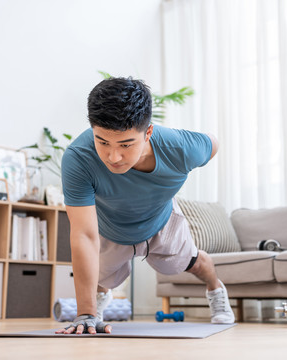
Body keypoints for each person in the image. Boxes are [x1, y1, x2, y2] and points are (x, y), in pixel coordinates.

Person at [56, 77, 234, 335]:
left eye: (126, 145)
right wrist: (85, 313)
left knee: (192, 263)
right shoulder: (78, 158)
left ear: (148, 132)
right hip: (112, 228)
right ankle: (96, 308)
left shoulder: (181, 148)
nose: (113, 157)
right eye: (102, 142)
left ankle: (216, 290)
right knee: (100, 279)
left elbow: (213, 142)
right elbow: (83, 234)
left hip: (161, 220)